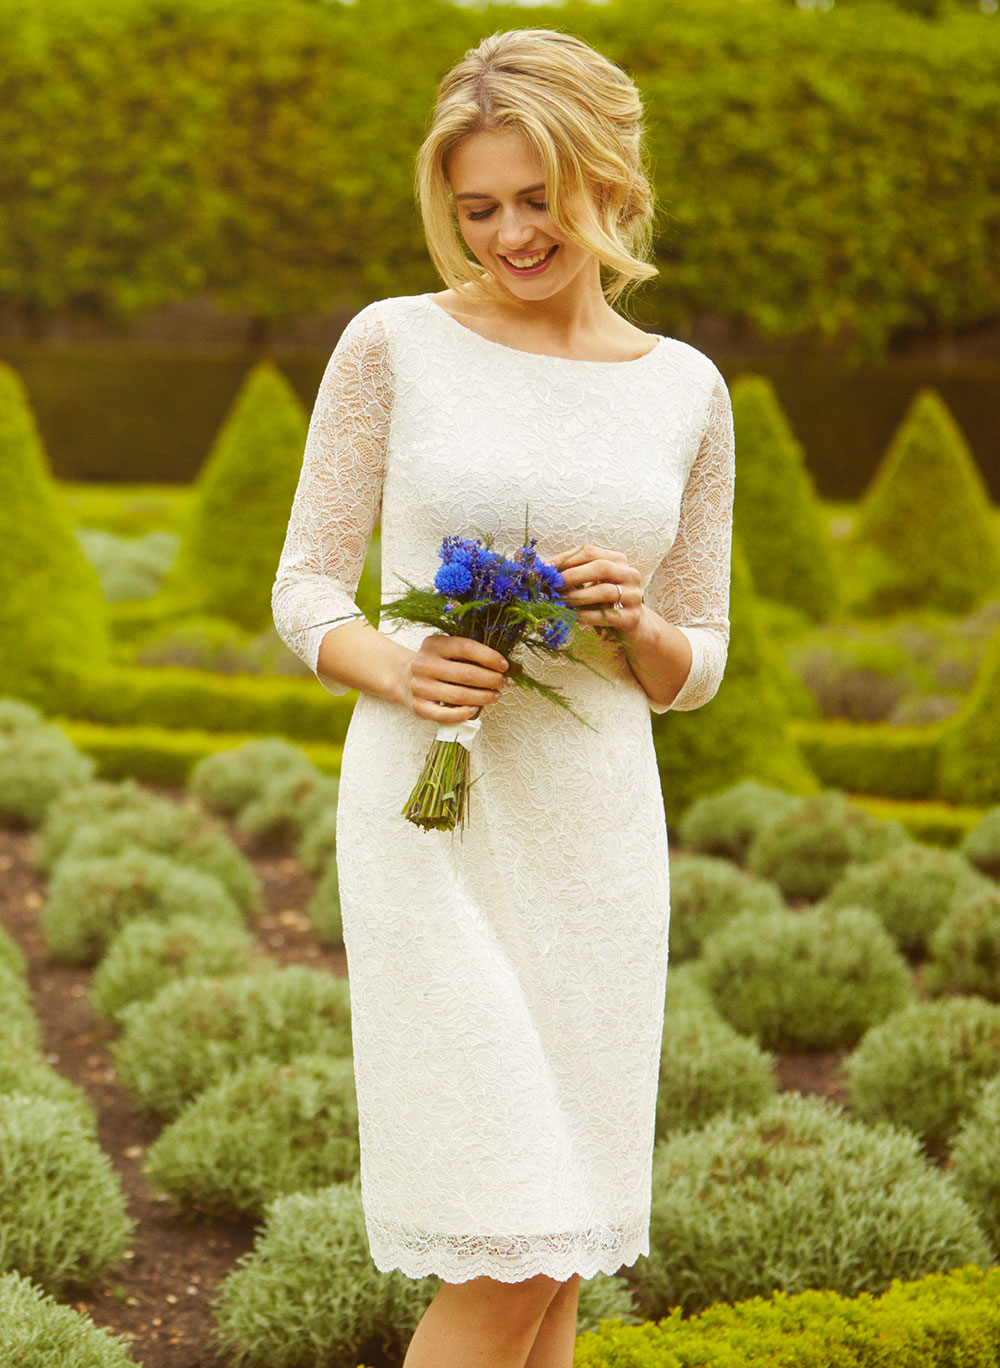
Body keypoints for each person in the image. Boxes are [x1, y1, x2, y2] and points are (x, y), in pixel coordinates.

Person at [271, 26, 734, 1368]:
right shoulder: (394, 345)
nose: (511, 234)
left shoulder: (687, 390)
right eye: (480, 208)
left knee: (565, 1257)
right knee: (513, 1243)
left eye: (542, 198)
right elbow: (306, 588)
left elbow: (698, 660)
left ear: (612, 182)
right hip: (433, 825)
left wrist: (637, 621)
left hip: (595, 833)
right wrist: (400, 664)